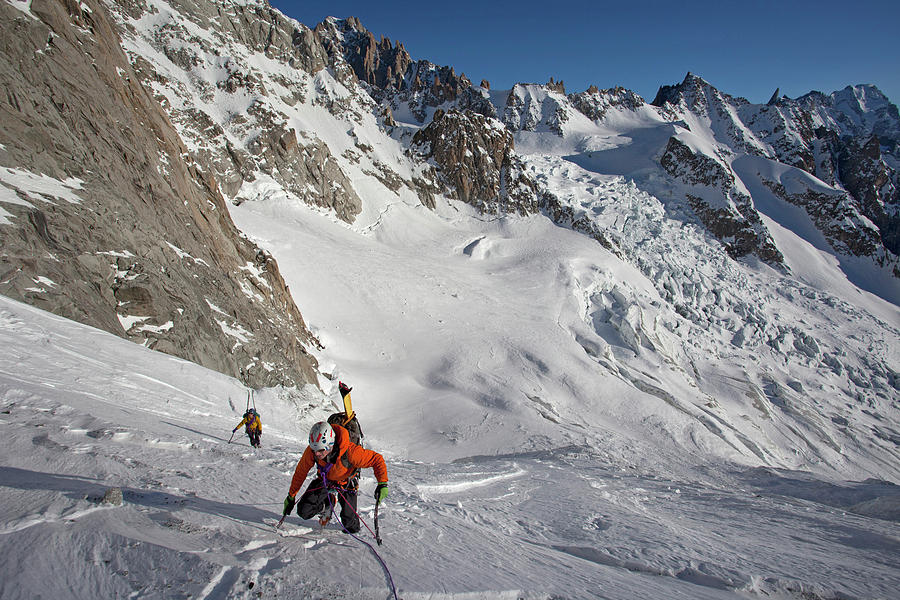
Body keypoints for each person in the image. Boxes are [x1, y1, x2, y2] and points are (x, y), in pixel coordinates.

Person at [282, 421, 389, 534]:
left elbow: (377, 459)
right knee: (304, 510)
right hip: (325, 480)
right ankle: (328, 504)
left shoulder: (351, 451)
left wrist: (382, 483)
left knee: (351, 525)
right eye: (315, 450)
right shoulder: (312, 451)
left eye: (321, 451)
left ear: (330, 445)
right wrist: (291, 495)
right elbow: (301, 472)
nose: (317, 454)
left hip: (346, 483)